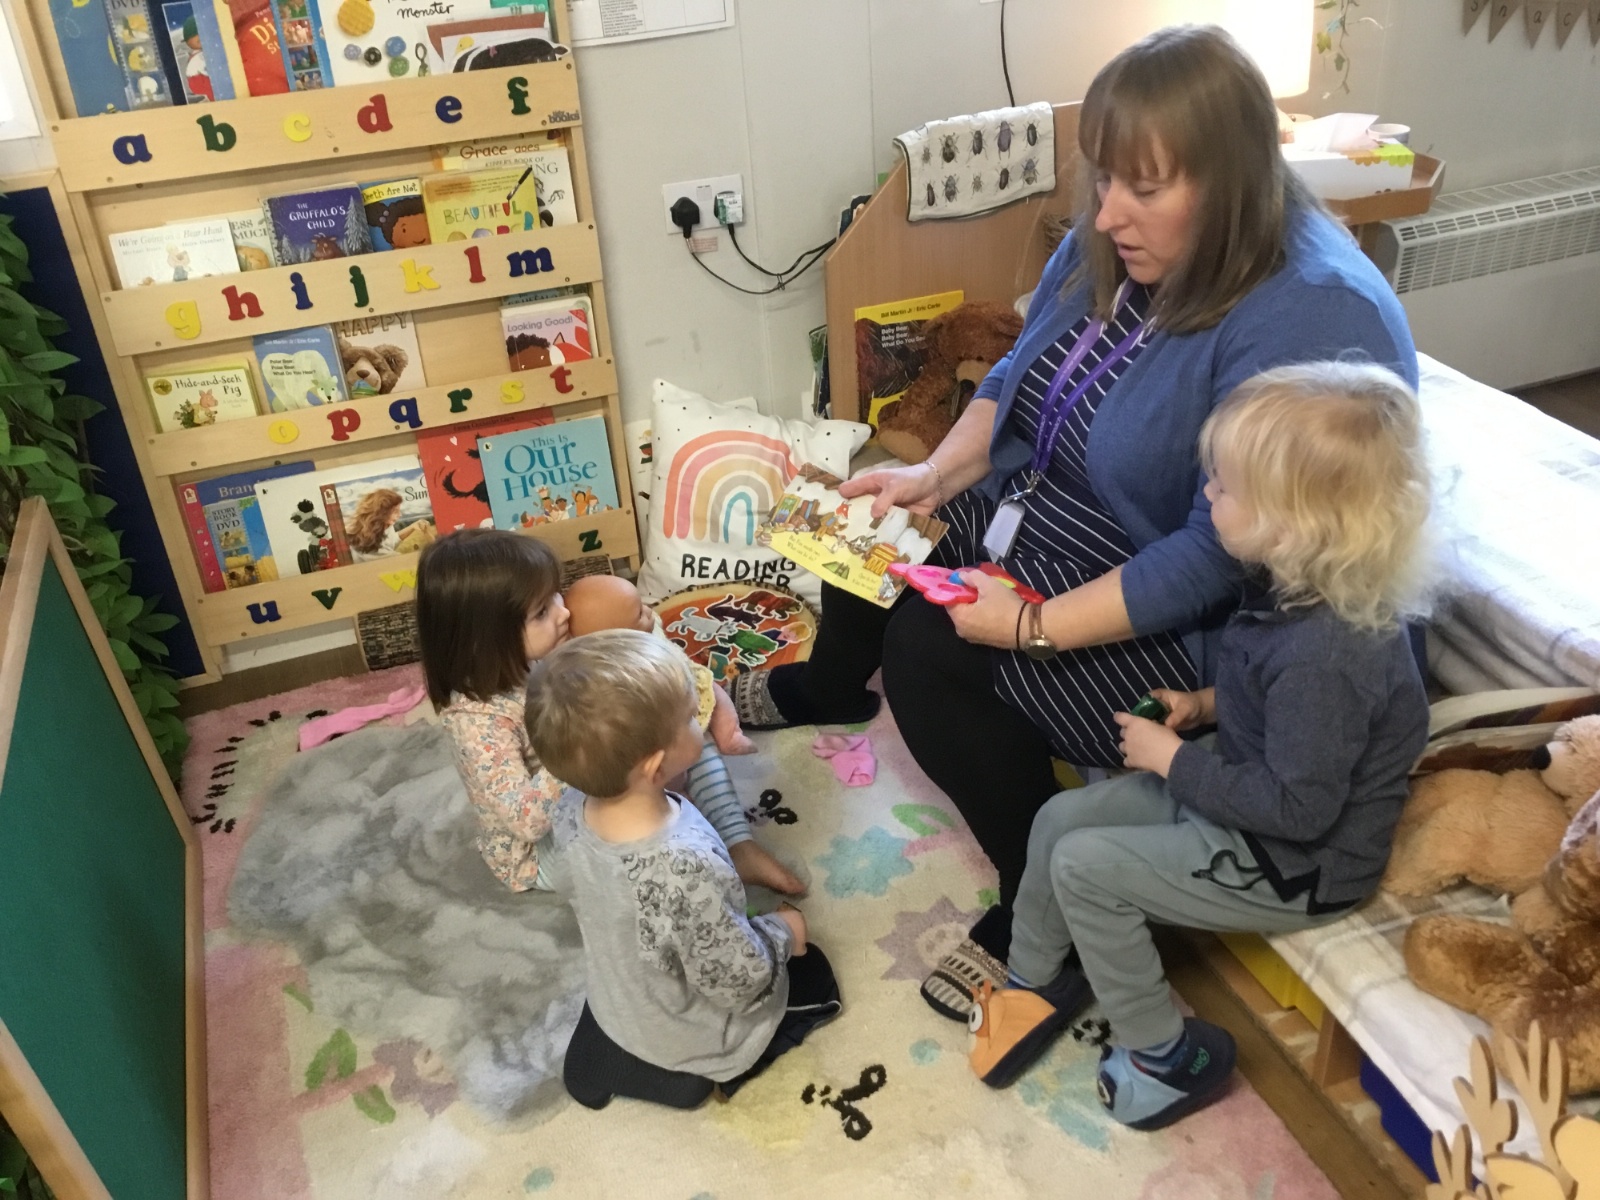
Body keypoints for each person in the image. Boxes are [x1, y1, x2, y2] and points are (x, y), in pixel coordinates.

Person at [728, 23, 1419, 1020]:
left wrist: (1032, 626)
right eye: (1103, 179)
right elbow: (1017, 370)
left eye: (1145, 188)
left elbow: (1215, 552)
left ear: (1229, 183)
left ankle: (1035, 901)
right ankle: (829, 684)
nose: (1107, 212)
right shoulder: (1110, 233)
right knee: (874, 520)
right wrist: (932, 473)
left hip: (1179, 592)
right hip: (1056, 498)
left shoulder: (1313, 313)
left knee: (929, 647)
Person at [967, 362, 1432, 1130]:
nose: (1207, 493)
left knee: (1086, 868)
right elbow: (1282, 713)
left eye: (1225, 486)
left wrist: (1170, 758)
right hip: (1242, 789)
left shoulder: (1328, 654)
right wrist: (1206, 704)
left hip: (1295, 862)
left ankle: (1165, 1058)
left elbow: (1300, 809)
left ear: (1291, 525)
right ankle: (1035, 980)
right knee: (1059, 819)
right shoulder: (1292, 588)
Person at [526, 630, 841, 1108]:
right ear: (656, 767)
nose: (702, 718)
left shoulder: (572, 807)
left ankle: (613, 1048)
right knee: (814, 972)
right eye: (692, 717)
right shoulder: (682, 868)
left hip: (618, 995)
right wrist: (781, 932)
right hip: (689, 1029)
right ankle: (700, 1068)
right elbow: (737, 980)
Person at [414, 529, 799, 895]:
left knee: (685, 729)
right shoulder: (477, 722)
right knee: (651, 839)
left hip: (590, 784)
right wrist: (583, 745)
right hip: (547, 848)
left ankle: (737, 842)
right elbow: (526, 820)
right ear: (486, 640)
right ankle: (693, 856)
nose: (563, 613)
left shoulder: (542, 652)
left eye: (556, 596)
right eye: (542, 611)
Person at [565, 573, 757, 758]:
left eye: (642, 603)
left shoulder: (643, 625)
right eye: (640, 614)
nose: (650, 610)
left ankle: (730, 734)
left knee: (714, 692)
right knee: (686, 745)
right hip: (671, 711)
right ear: (622, 640)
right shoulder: (622, 672)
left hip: (687, 676)